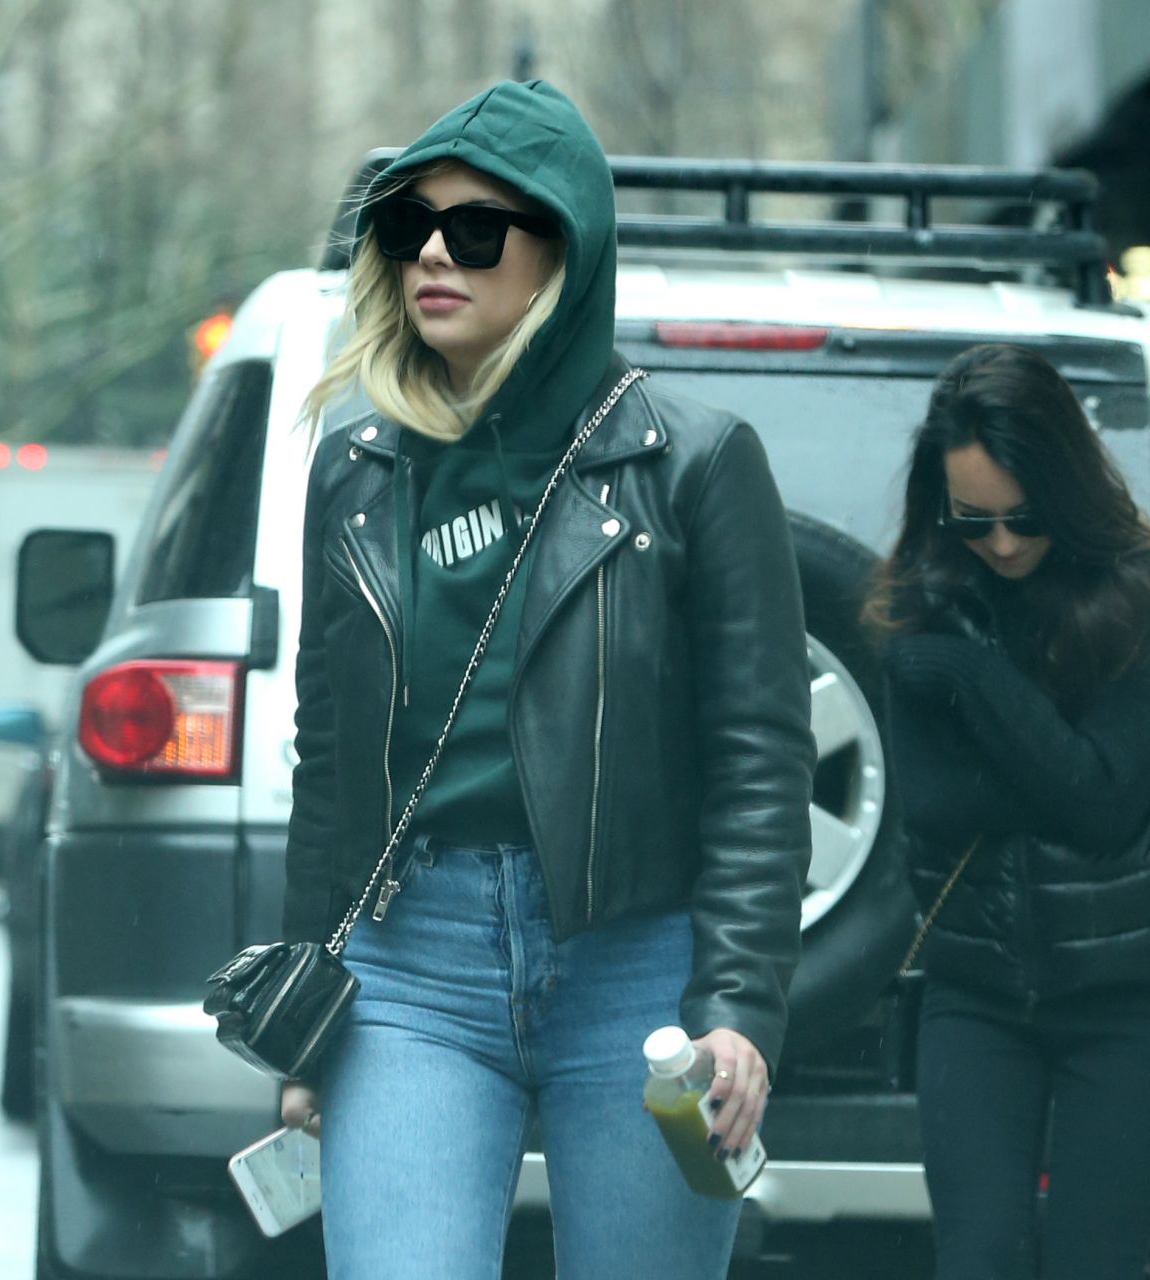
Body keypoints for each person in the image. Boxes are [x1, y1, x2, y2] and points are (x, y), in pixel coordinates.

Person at [277, 79, 814, 1279]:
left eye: (476, 229)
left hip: (640, 969)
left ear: (560, 254)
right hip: (410, 960)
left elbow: (758, 764)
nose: (431, 253)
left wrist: (737, 1002)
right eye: (406, 224)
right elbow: (328, 756)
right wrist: (306, 1003)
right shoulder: (356, 469)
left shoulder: (693, 463)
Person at [868, 343, 1150, 1279]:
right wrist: (1057, 765)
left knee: (1098, 1261)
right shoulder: (924, 601)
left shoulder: (1134, 597)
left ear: (1064, 492)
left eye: (1024, 518)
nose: (1000, 544)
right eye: (973, 520)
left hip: (1124, 993)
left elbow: (1106, 805)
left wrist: (968, 676)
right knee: (978, 1258)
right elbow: (938, 805)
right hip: (974, 992)